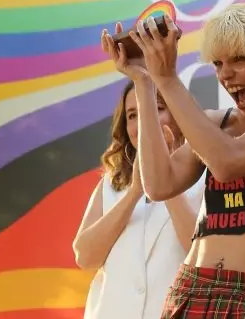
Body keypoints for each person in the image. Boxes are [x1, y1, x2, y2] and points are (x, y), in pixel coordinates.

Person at [100, 1, 245, 318]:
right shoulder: (218, 123)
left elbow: (227, 163)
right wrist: (146, 81)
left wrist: (168, 80)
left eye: (240, 59)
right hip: (188, 293)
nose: (225, 74)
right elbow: (158, 185)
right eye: (217, 63)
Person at [73, 80, 205, 319]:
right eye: (133, 115)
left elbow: (202, 257)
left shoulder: (206, 175)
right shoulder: (112, 183)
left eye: (157, 108)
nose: (145, 121)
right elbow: (85, 257)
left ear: (179, 113)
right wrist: (134, 192)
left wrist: (166, 179)